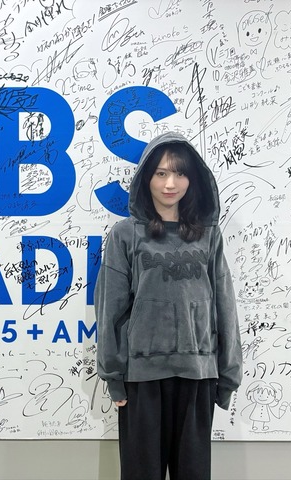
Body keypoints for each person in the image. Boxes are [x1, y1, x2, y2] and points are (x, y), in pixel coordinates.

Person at [94, 132, 242, 480]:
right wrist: (114, 376)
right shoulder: (125, 235)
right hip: (142, 379)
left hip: (197, 375)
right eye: (160, 173)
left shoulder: (208, 235)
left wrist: (228, 375)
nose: (170, 183)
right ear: (147, 178)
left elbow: (224, 304)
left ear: (193, 178)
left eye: (179, 173)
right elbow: (110, 309)